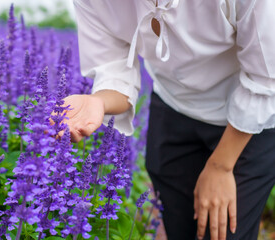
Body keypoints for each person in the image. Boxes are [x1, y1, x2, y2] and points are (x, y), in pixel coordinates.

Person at [65, 0, 275, 239]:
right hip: (173, 105)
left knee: (225, 233)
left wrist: (221, 166)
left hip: (247, 119)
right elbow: (113, 69)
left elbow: (266, 78)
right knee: (180, 230)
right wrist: (98, 102)